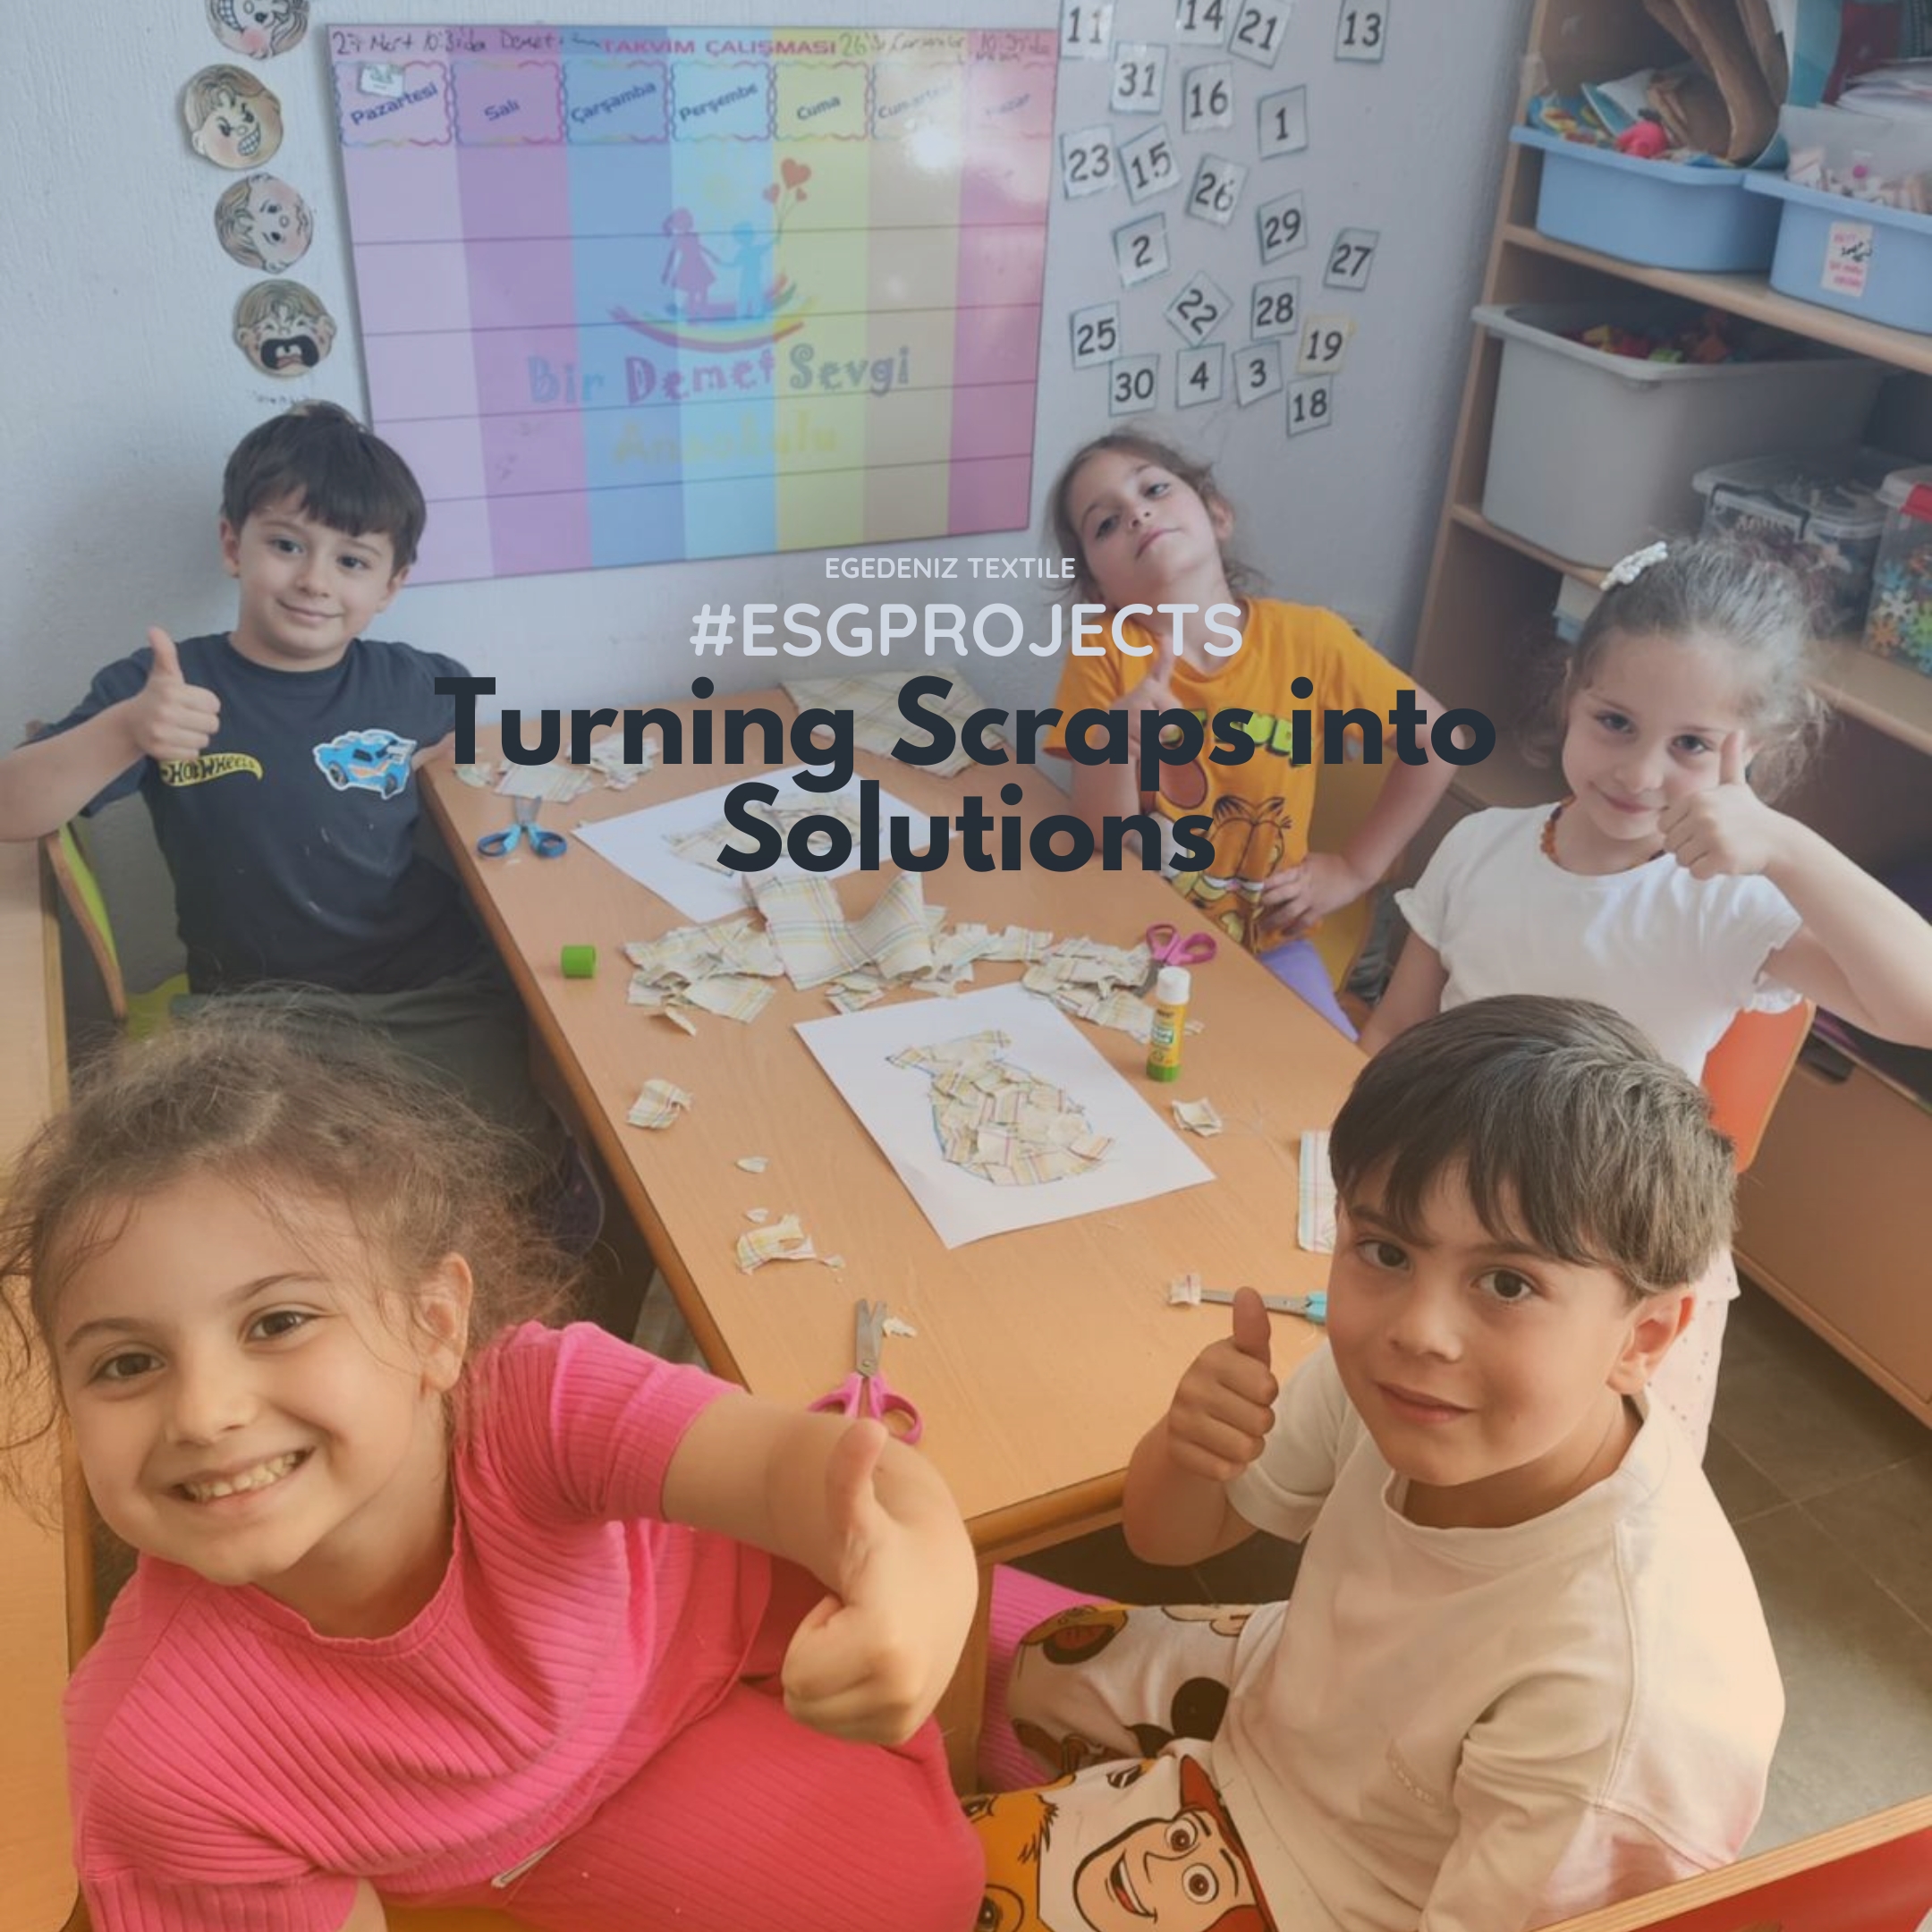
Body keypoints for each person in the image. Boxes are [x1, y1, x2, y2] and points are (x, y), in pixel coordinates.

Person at [0, 1016, 983, 1932]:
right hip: (573, 1826)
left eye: (278, 1322)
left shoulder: (535, 1402)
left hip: (756, 1629)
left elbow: (818, 1474)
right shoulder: (159, 1759)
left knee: (991, 1704)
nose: (204, 1412)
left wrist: (926, 1589)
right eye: (127, 1364)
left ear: (435, 1325)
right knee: (919, 1888)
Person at [971, 996, 1783, 1932]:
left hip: (1344, 1889)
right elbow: (1168, 1540)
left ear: (1643, 1336)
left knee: (922, 1876)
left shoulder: (1617, 1702)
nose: (1418, 1330)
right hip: (1298, 1709)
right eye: (1385, 1251)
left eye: (1508, 1282)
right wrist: (1188, 1447)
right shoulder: (1407, 1387)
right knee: (1031, 1663)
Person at [1360, 538, 1932, 1454]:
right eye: (1615, 722)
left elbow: (1920, 1008)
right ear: (1571, 695)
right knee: (1421, 1435)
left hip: (1621, 1253)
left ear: (1754, 753)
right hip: (1454, 1214)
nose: (1639, 773)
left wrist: (1786, 848)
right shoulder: (1480, 845)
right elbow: (1394, 1032)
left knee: (1590, 1483)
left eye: (1691, 745)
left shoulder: (1730, 905)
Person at [0, 402, 574, 1201]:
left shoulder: (420, 680)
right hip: (257, 1017)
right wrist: (125, 731)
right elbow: (12, 810)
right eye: (286, 545)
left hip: (433, 995)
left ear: (392, 585)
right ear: (232, 544)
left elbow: (487, 750)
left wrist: (459, 757)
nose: (314, 581)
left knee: (498, 1178)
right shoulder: (163, 688)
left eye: (352, 560)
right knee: (302, 1203)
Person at [1042, 430, 1454, 1038]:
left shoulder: (1311, 642)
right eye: (1105, 523)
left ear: (1217, 515)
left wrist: (1354, 868)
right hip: (1133, 941)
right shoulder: (1102, 653)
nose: (1136, 514)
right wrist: (1114, 741)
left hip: (1271, 950)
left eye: (1154, 489)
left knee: (1329, 1079)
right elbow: (1103, 838)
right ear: (1097, 588)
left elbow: (1439, 741)